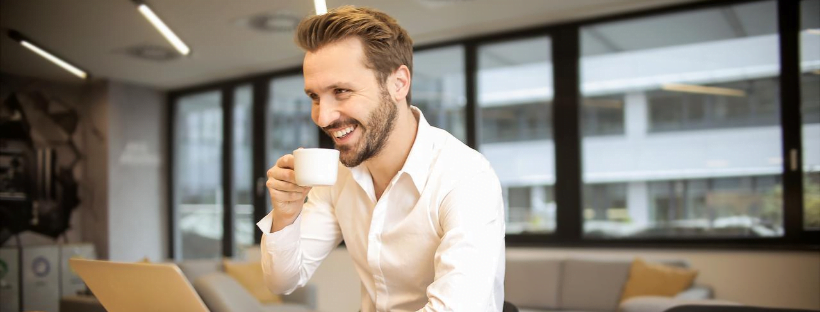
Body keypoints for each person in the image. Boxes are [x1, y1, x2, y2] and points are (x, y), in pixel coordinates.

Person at [257, 6, 505, 311]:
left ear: (398, 83)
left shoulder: (466, 177)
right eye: (315, 97)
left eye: (342, 91)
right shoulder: (338, 175)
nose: (322, 117)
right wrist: (286, 215)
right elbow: (282, 281)